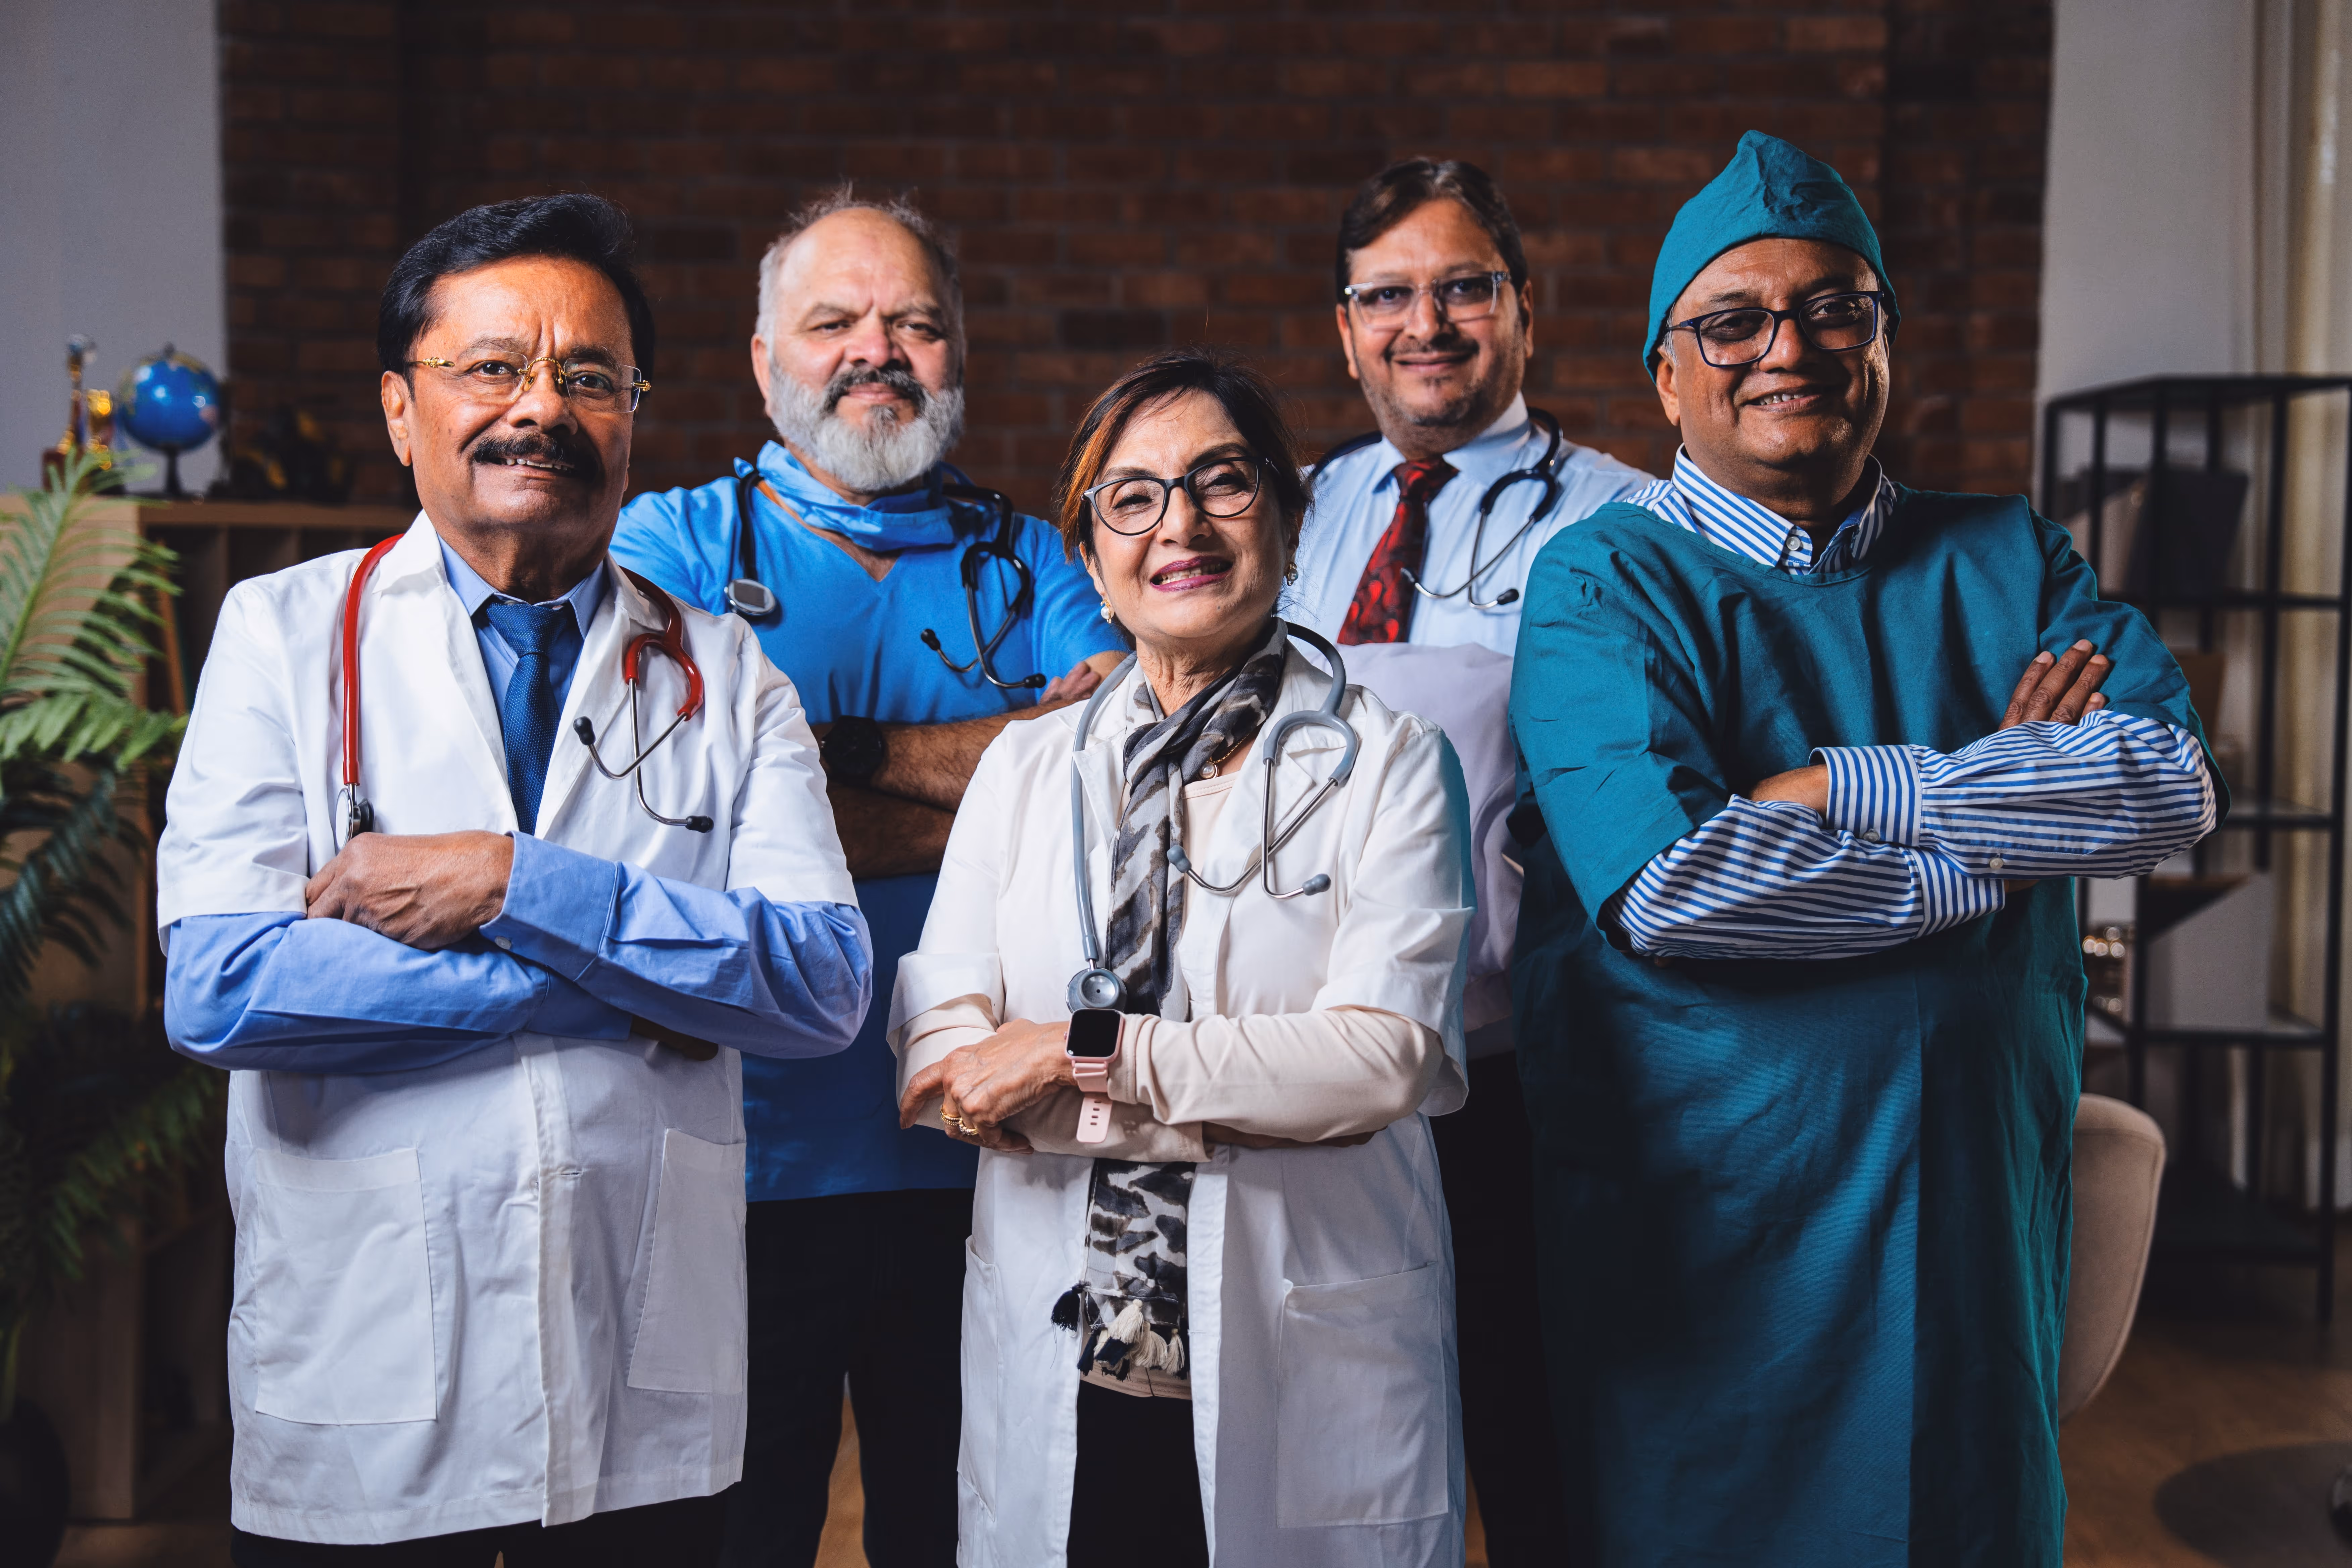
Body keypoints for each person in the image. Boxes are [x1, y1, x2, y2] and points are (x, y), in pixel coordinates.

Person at [1508, 131, 2222, 1565]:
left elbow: (2162, 786)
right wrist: (2011, 833)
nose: (1792, 347)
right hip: (1723, 1235)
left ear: (1883, 338)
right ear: (1667, 372)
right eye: (1735, 320)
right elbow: (1676, 884)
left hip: (1963, 1229)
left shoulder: (2013, 556)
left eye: (1838, 306)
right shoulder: (1605, 579)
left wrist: (1838, 788)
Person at [157, 195, 871, 1564]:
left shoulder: (724, 672)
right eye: (493, 367)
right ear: (400, 407)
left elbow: (823, 980)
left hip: (642, 1397)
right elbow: (225, 984)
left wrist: (511, 883)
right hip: (366, 1383)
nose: (540, 408)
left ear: (632, 416)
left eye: (589, 377)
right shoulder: (285, 634)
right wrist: (618, 988)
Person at [888, 349, 1475, 1568]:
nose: (1182, 526)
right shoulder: (1025, 770)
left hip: (1300, 1357)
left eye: (1223, 482)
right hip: (1067, 1357)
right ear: (1094, 556)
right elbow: (942, 1052)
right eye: (1134, 498)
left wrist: (1071, 1056)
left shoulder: (1391, 764)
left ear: (1287, 514)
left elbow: (1379, 1063)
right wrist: (1237, 1093)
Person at [610, 190, 1126, 1567]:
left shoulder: (1036, 563)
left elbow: (1106, 795)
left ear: (960, 353)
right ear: (766, 358)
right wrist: (998, 776)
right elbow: (673, 831)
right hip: (741, 1161)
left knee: (965, 1537)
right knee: (732, 1539)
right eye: (834, 321)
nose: (875, 351)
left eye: (916, 323)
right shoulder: (670, 548)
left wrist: (836, 758)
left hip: (978, 1157)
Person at [1291, 156, 1651, 1565]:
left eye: (1463, 288)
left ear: (1522, 307)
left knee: (1533, 1438)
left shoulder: (1625, 519)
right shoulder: (1293, 510)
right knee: (1348, 1445)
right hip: (1316, 1055)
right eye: (1389, 295)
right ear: (1346, 328)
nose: (1425, 324)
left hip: (1519, 1066)